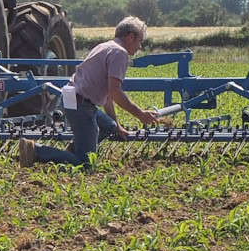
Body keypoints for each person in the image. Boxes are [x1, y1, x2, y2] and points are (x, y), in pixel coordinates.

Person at [19, 16, 167, 167]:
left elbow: (108, 94)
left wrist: (117, 124)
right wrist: (140, 114)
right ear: (131, 37)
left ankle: (75, 151)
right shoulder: (119, 53)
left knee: (109, 126)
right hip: (81, 105)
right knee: (85, 164)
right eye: (140, 41)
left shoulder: (105, 46)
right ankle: (36, 151)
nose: (140, 46)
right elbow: (115, 91)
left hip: (73, 98)